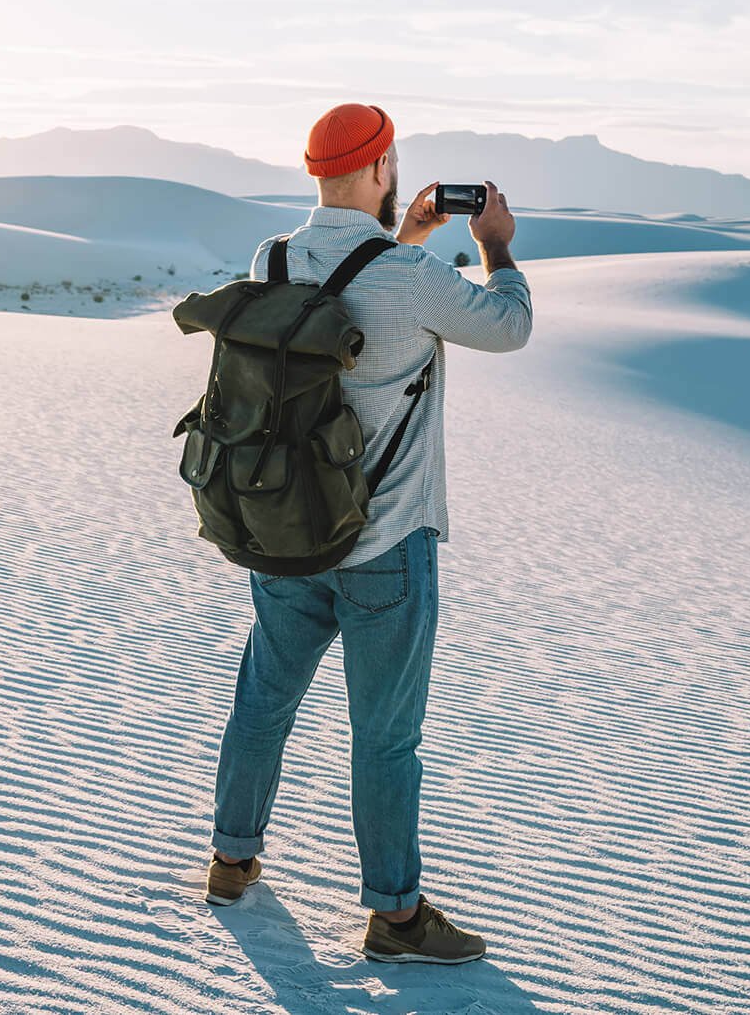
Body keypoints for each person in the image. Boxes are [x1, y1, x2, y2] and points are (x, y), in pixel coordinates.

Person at [202, 102, 533, 965]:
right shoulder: (407, 276)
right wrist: (495, 246)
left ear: (317, 172)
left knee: (263, 699)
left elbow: (349, 303)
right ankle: (395, 914)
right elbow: (509, 326)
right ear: (383, 168)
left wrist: (408, 236)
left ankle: (232, 858)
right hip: (385, 547)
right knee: (386, 736)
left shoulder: (269, 259)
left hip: (282, 532)